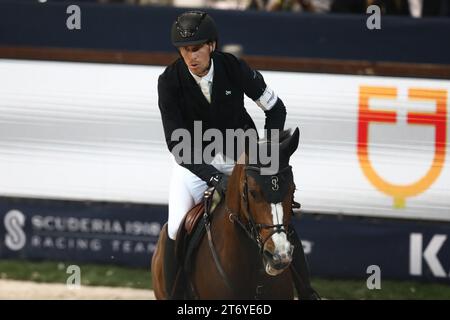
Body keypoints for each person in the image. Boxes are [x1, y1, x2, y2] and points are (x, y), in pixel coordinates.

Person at [157, 10, 319, 300]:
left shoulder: (232, 67)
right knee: (175, 226)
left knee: (276, 212)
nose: (190, 57)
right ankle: (174, 295)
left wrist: (265, 152)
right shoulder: (169, 81)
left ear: (212, 46)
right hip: (195, 163)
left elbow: (275, 109)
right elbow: (176, 144)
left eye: (196, 49)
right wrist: (214, 177)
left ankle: (306, 291)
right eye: (184, 50)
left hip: (242, 155)